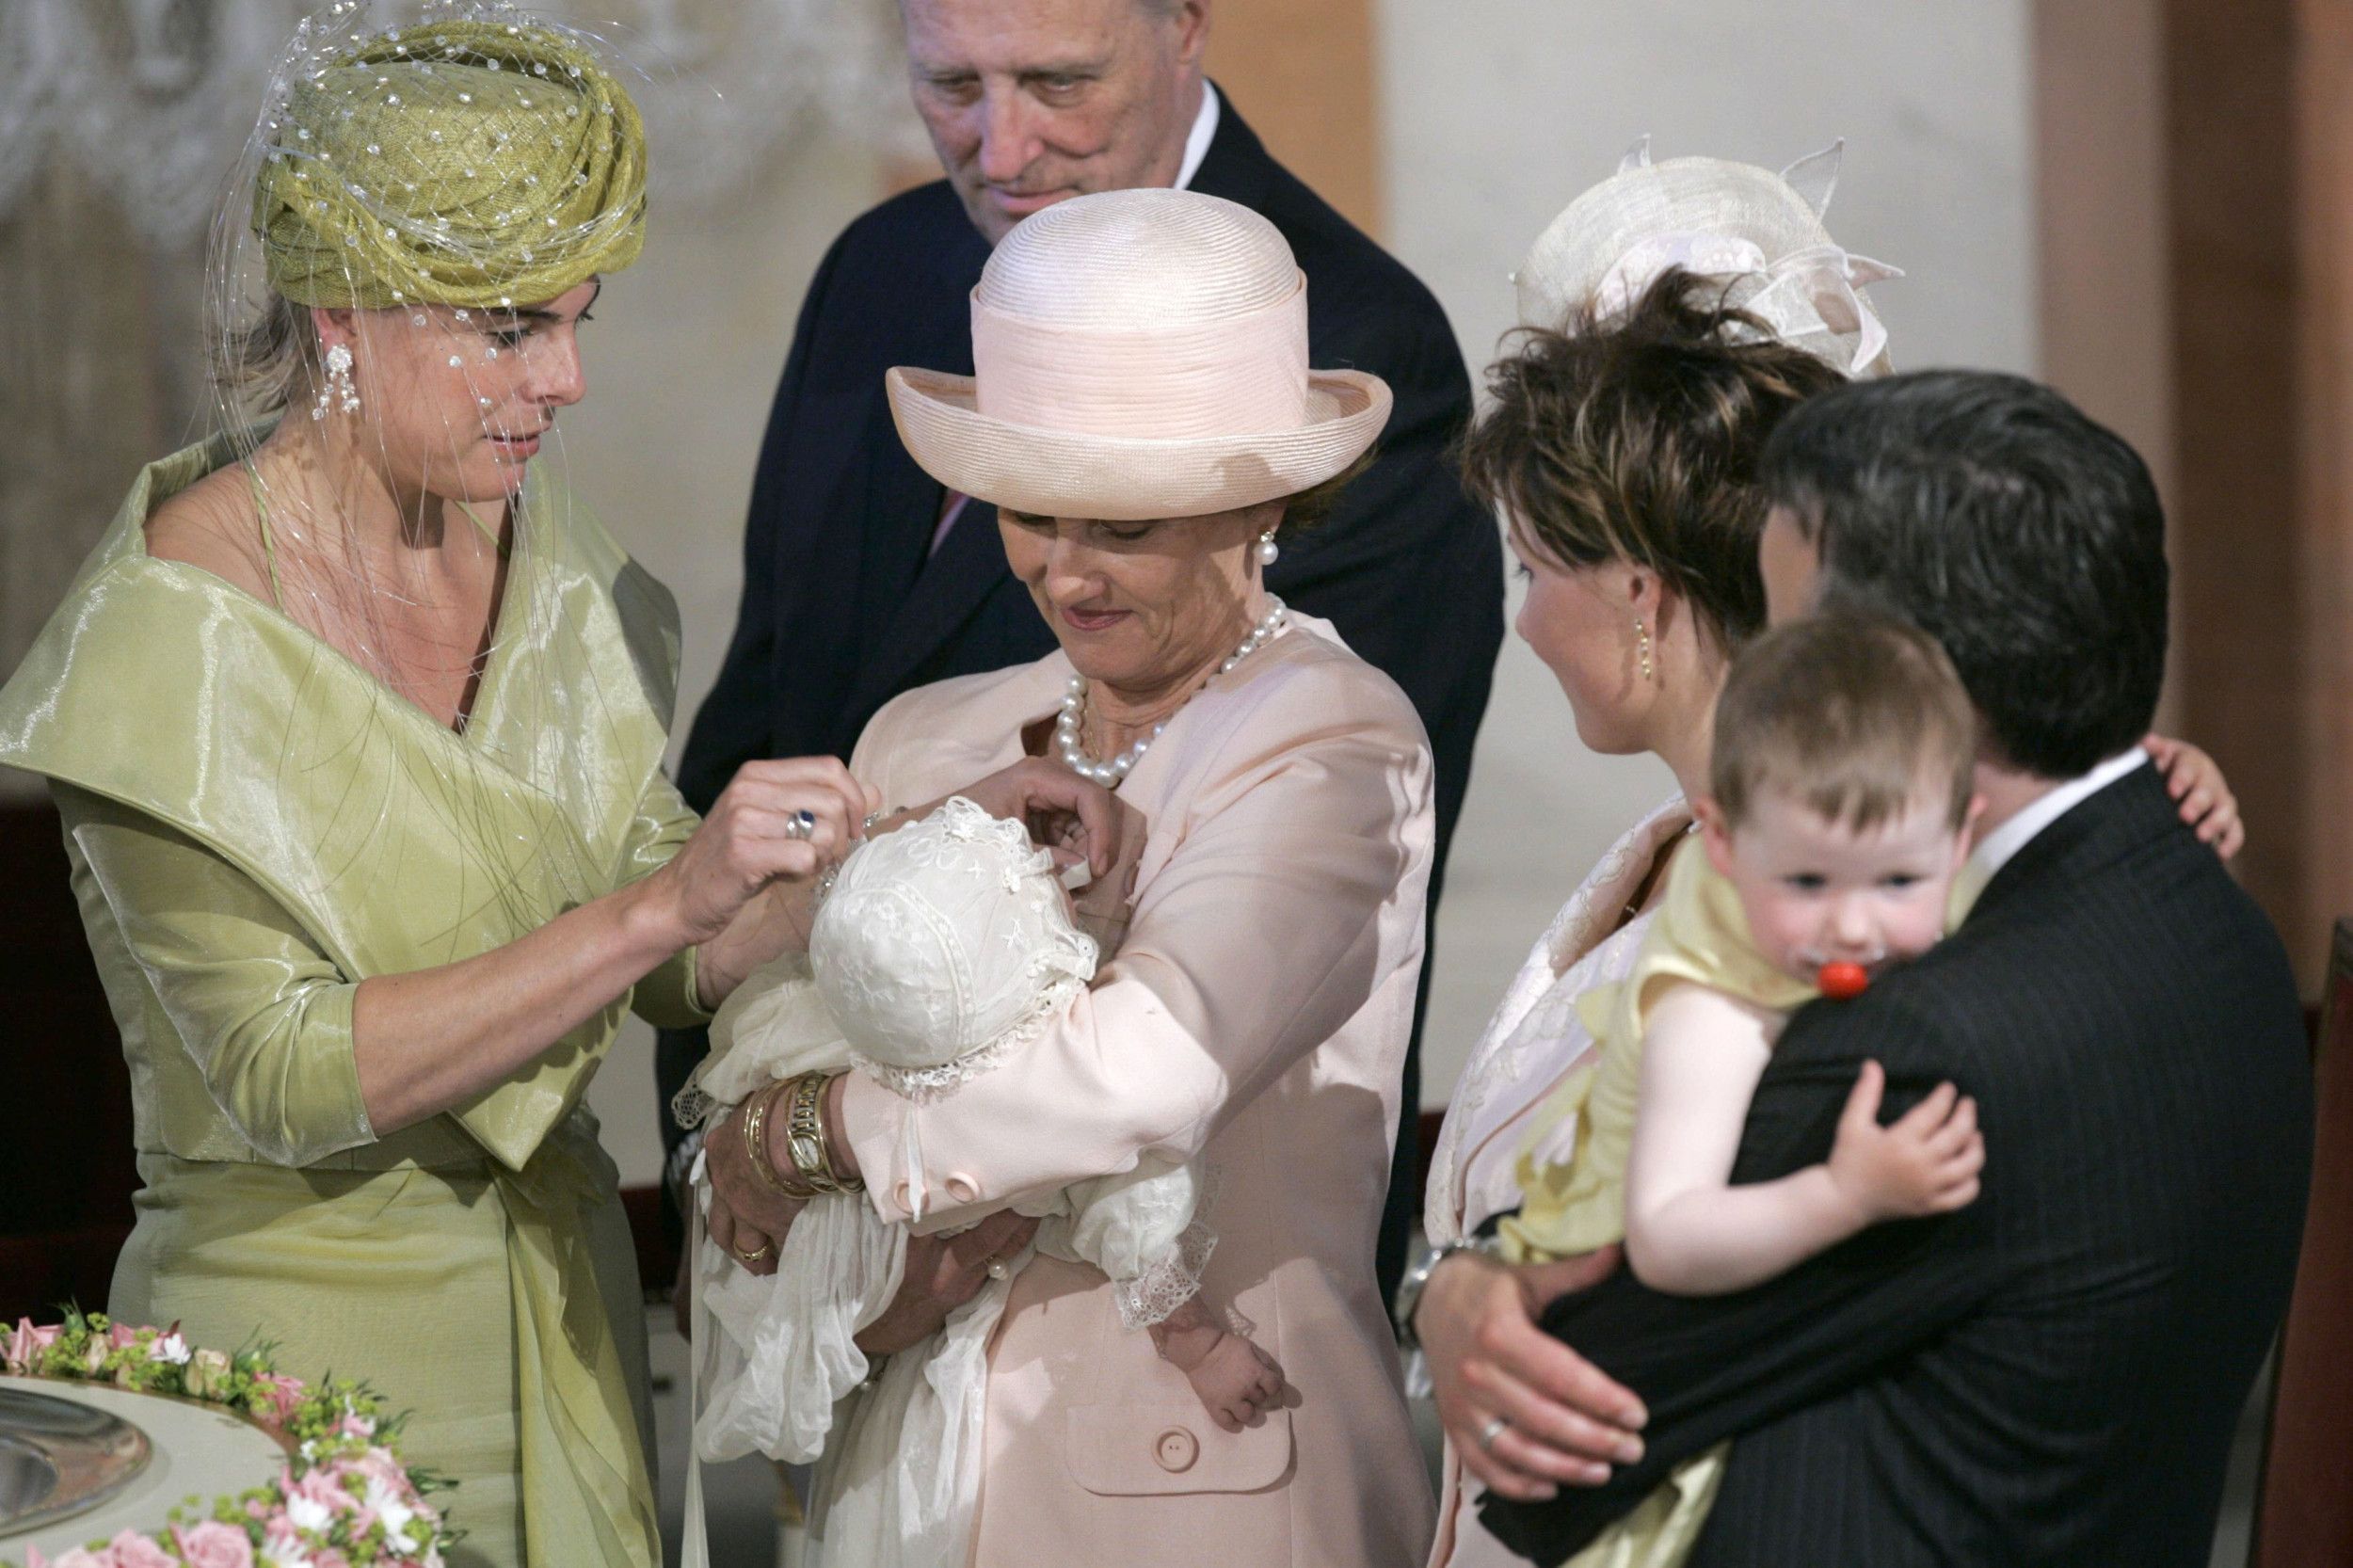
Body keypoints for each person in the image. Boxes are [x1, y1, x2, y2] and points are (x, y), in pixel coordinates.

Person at [0, 14, 911, 1566]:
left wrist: (813, 885)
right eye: (507, 327)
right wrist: (656, 907)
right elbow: (287, 1074)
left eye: (578, 320)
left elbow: (670, 948)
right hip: (283, 1397)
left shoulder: (568, 574)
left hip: (565, 1345)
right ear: (340, 303)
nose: (561, 380)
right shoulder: (166, 639)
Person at [1400, 147, 2249, 1568]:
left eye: (1530, 570)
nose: (1522, 624)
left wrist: (1465, 1298)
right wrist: (1453, 1279)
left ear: (1646, 595)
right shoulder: (1668, 849)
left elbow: (1593, 1410)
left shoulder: (1860, 941)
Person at [657, 0, 1503, 1299]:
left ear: (1184, 31)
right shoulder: (877, 270)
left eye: (1058, 82)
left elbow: (1232, 894)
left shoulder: (1355, 343)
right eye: (952, 85)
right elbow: (770, 713)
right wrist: (728, 1110)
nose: (1002, 149)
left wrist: (813, 1132)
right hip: (833, 1255)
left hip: (1169, 1261)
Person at [696, 187, 1438, 1566]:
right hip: (902, 1477)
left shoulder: (1331, 732)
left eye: (1125, 525)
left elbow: (1147, 1067)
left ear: (1261, 498)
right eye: (1028, 512)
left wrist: (818, 1131)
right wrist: (838, 1284)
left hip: (1200, 1479)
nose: (1063, 569)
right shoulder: (932, 734)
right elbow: (762, 1061)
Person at [1492, 612, 1990, 1567]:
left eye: (1898, 879)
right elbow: (1671, 1238)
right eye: (1805, 879)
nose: (1853, 925)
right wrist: (1844, 1194)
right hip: (1615, 1395)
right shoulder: (1708, 1007)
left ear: (1959, 836)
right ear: (1719, 839)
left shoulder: (1905, 855)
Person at [680, 798, 1283, 1567]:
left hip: (826, 1288)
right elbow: (1131, 1223)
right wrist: (1201, 1347)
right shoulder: (1023, 1110)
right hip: (917, 1301)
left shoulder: (817, 1026)